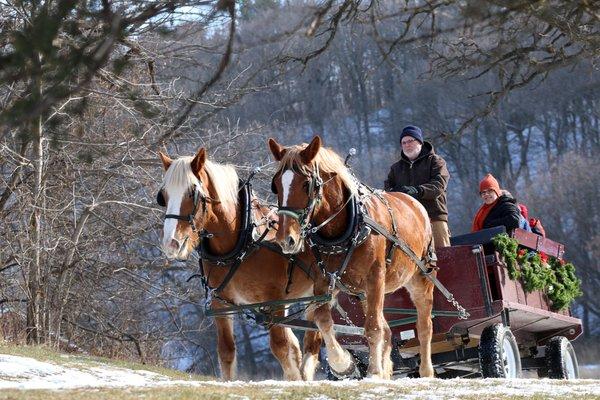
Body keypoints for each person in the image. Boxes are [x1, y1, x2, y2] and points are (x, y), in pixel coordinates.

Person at [384, 125, 451, 248]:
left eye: (410, 141)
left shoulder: (436, 161)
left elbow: (439, 185)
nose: (407, 145)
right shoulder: (395, 168)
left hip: (433, 216)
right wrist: (397, 194)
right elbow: (387, 190)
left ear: (420, 142)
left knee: (443, 256)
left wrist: (418, 191)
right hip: (406, 220)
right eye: (403, 143)